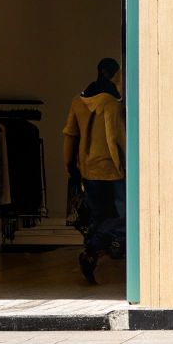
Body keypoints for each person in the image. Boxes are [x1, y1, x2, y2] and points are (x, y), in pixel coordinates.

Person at [62, 57, 126, 285]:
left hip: (87, 171)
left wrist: (70, 165)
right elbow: (115, 138)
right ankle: (95, 245)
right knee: (126, 217)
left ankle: (92, 255)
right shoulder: (112, 103)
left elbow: (70, 134)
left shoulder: (78, 101)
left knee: (100, 216)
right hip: (113, 171)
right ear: (114, 75)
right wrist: (127, 164)